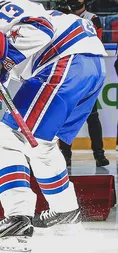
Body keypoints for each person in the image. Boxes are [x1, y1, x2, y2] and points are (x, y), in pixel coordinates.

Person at [0, 0, 107, 249]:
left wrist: (2, 50)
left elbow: (40, 26)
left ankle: (18, 216)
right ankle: (65, 210)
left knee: (4, 137)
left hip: (66, 57)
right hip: (87, 64)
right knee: (42, 146)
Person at [58, 0, 109, 168]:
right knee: (65, 116)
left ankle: (99, 154)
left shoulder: (92, 19)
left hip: (86, 71)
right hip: (68, 71)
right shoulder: (61, 16)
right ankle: (65, 155)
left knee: (92, 116)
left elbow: (96, 42)